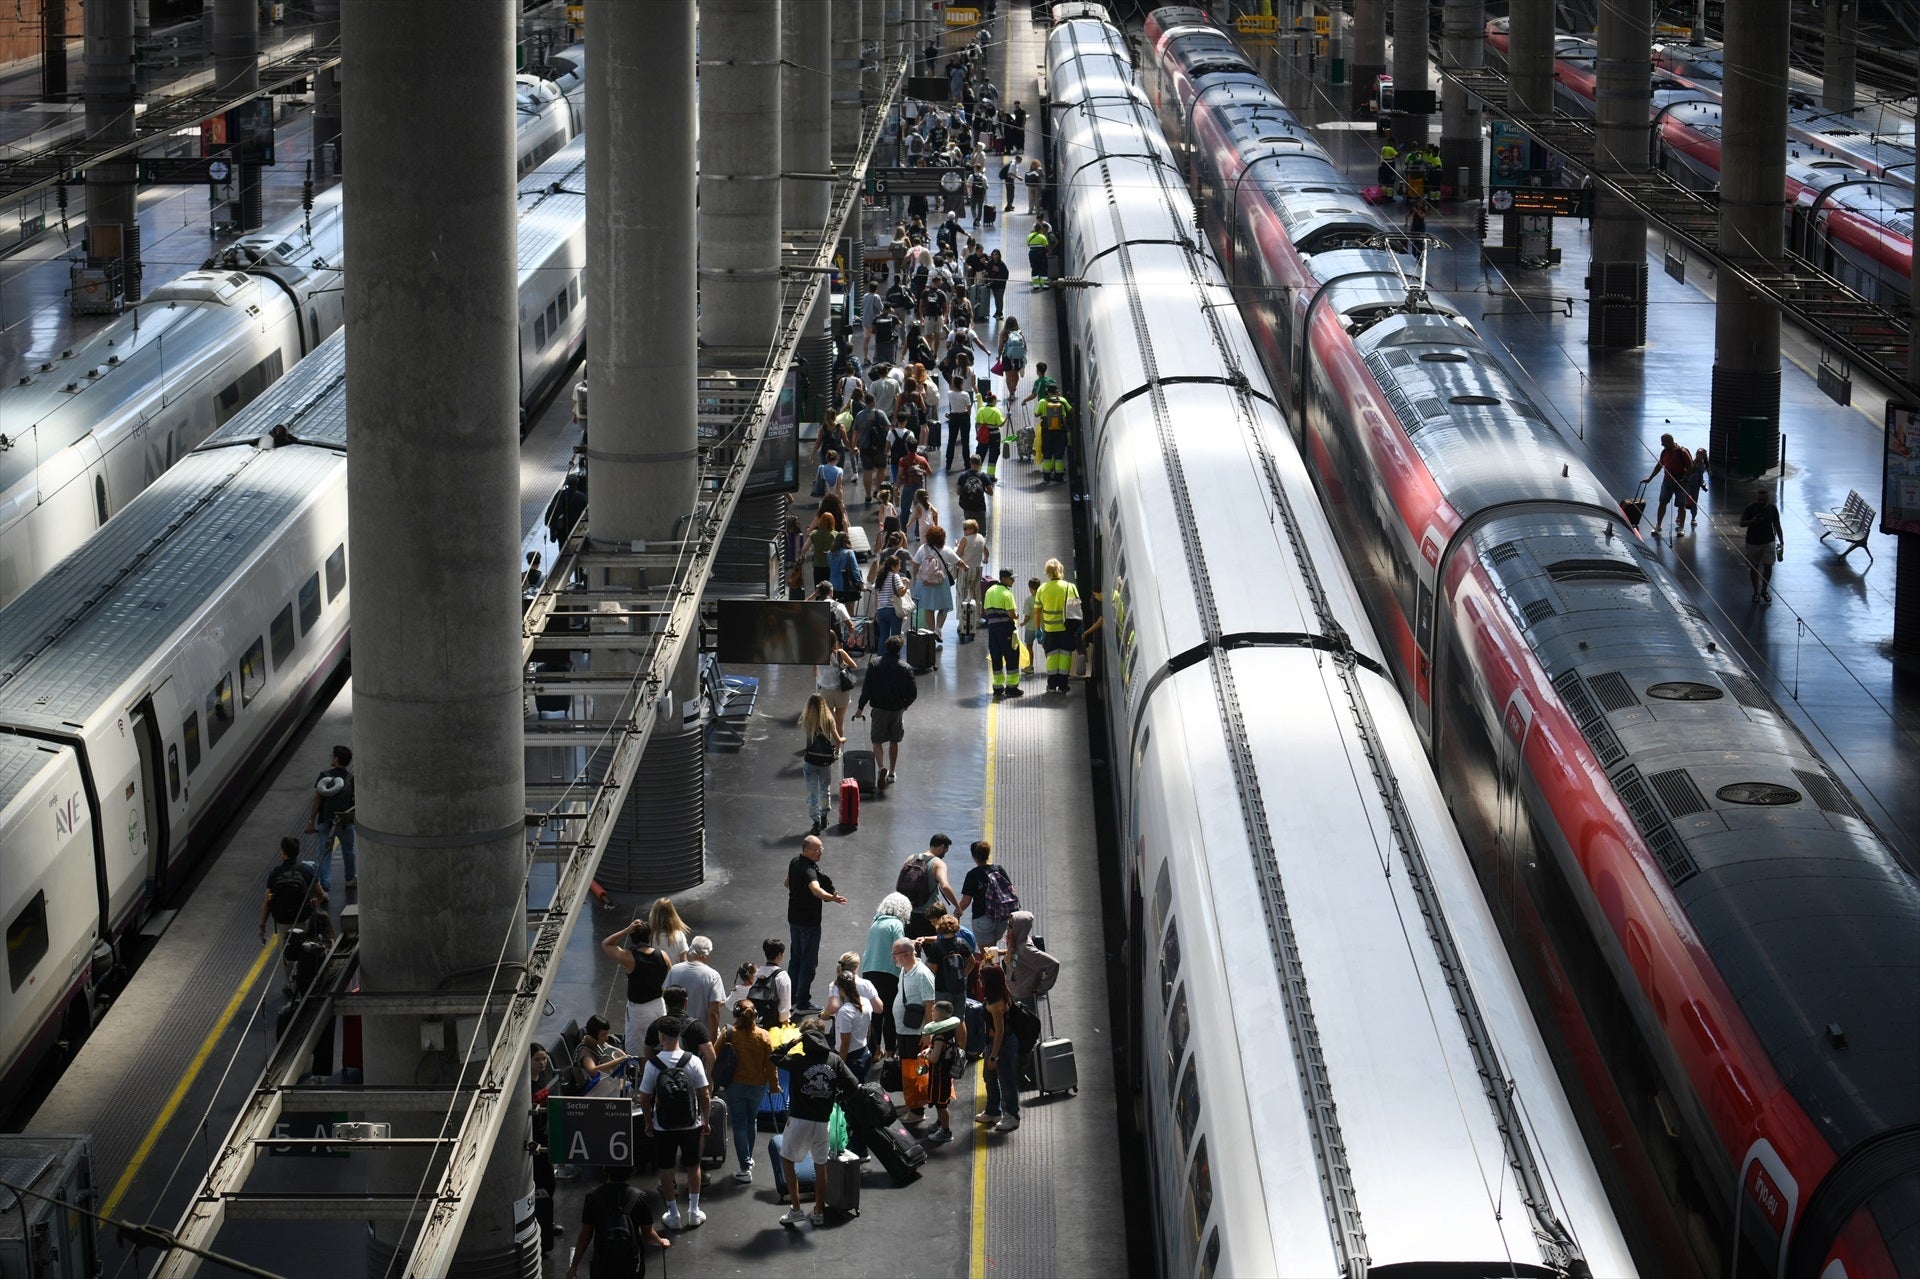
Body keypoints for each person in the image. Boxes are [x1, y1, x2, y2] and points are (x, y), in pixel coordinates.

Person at [773, 1017, 862, 1228]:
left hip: (799, 1120)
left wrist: (793, 1042)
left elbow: (774, 1055)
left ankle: (796, 1209)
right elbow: (853, 1085)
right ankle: (819, 1211)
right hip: (823, 1122)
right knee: (820, 1165)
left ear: (804, 1037)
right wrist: (838, 1095)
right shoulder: (834, 1059)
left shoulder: (798, 1060)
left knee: (787, 1160)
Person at [637, 1017, 712, 1230]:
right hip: (691, 1124)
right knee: (693, 1165)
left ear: (660, 1037)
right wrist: (704, 1120)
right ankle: (694, 1211)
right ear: (679, 1035)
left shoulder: (653, 1065)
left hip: (663, 1126)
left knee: (666, 1167)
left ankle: (673, 1213)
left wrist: (649, 1122)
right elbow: (704, 1095)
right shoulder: (693, 1061)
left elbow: (643, 1097)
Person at [716, 999, 781, 1185]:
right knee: (751, 1120)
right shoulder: (764, 1035)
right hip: (757, 1086)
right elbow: (771, 1064)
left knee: (739, 1125)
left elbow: (714, 1053)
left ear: (737, 1013)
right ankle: (748, 1158)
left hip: (734, 1086)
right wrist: (774, 1085)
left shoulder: (729, 1033)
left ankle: (744, 1168)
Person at [564, 1164, 668, 1279]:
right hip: (631, 1266)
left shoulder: (593, 1197)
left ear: (606, 1171)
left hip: (603, 1264)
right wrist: (661, 1241)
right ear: (631, 1172)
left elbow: (585, 1235)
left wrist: (574, 1266)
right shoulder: (639, 1198)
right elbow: (648, 1235)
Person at [786, 834, 849, 1010]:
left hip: (794, 919)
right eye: (817, 849)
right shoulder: (809, 870)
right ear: (807, 850)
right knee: (808, 962)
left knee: (796, 959)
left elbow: (787, 882)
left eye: (821, 848)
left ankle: (790, 998)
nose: (821, 852)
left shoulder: (794, 862)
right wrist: (833, 898)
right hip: (809, 923)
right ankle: (803, 1001)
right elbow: (816, 890)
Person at [853, 634, 919, 783]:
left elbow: (867, 688)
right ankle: (892, 772)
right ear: (899, 649)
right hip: (896, 710)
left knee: (877, 741)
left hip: (879, 709)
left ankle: (882, 767)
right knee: (894, 740)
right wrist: (905, 705)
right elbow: (913, 693)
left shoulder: (875, 664)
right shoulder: (906, 668)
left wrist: (860, 707)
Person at [603, 919, 672, 1053]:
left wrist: (626, 930)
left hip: (638, 1011)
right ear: (650, 935)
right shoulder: (663, 955)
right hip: (658, 1005)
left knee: (638, 1049)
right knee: (659, 1044)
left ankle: (641, 1072)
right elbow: (670, 979)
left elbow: (606, 944)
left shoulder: (629, 958)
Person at [891, 940, 938, 1116]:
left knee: (914, 1070)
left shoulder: (922, 974)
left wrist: (928, 1033)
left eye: (895, 953)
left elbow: (930, 1005)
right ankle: (911, 1102)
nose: (893, 957)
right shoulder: (905, 970)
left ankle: (917, 1110)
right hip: (904, 1031)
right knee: (907, 1070)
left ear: (907, 954)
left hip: (915, 1033)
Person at [974, 956, 1021, 1133]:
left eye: (981, 978)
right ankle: (993, 1110)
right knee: (989, 1076)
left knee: (1006, 1080)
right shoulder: (997, 995)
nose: (979, 981)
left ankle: (1012, 1115)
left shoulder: (996, 1004)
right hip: (993, 1043)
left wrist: (994, 1055)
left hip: (1002, 1045)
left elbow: (1000, 1032)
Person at [862, 893, 912, 1056]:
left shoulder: (876, 922)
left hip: (870, 969)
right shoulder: (896, 924)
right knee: (890, 1013)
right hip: (889, 972)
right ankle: (890, 1051)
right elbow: (900, 948)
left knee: (876, 1012)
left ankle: (876, 1050)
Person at [303, 745, 356, 891]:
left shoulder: (324, 775)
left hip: (325, 821)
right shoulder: (351, 779)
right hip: (344, 822)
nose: (331, 758)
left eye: (332, 755)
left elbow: (317, 800)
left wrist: (311, 821)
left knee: (324, 853)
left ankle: (325, 884)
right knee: (348, 850)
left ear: (337, 758)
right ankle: (350, 878)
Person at [259, 835, 325, 941]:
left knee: (287, 951)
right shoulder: (307, 870)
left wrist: (262, 926)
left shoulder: (275, 874)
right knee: (305, 949)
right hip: (303, 920)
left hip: (283, 922)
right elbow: (321, 895)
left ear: (283, 852)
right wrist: (313, 904)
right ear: (297, 852)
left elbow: (267, 902)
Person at [919, 999, 967, 1145]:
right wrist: (930, 1049)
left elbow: (934, 1059)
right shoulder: (947, 1032)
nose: (931, 1012)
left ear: (939, 1016)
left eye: (934, 1011)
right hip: (944, 1073)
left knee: (941, 1104)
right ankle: (940, 1123)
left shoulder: (939, 1037)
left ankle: (945, 1130)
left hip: (940, 1074)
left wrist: (925, 1055)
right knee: (941, 1101)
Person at [956, 839, 1019, 948]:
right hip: (1001, 917)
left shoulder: (973, 874)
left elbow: (966, 901)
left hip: (982, 919)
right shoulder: (998, 869)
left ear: (973, 856)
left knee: (988, 955)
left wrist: (956, 913)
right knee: (994, 948)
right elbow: (1011, 890)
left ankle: (994, 964)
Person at [664, 937, 729, 1041]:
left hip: (677, 1033)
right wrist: (712, 1043)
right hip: (702, 1034)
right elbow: (713, 1013)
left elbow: (665, 998)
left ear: (691, 949)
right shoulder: (713, 975)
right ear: (707, 953)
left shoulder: (675, 970)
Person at [897, 834, 960, 937]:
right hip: (930, 916)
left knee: (911, 948)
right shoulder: (938, 863)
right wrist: (958, 907)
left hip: (909, 913)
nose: (944, 855)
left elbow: (901, 881)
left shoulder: (911, 858)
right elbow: (945, 886)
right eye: (945, 851)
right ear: (942, 847)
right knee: (933, 949)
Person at [642, 985, 714, 1072]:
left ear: (665, 1003)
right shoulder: (697, 1026)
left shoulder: (655, 1026)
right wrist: (699, 1072)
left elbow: (647, 1053)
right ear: (686, 1002)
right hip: (688, 1079)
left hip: (662, 1079)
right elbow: (711, 1056)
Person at [1035, 557, 1081, 693]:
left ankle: (1051, 685)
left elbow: (1037, 612)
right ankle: (1062, 685)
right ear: (1061, 570)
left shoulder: (1042, 589)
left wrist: (1038, 629)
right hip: (1066, 628)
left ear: (1047, 572)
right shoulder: (1070, 587)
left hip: (1049, 629)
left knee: (1052, 656)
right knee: (1065, 656)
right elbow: (1076, 608)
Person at [800, 692, 843, 836]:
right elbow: (837, 739)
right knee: (825, 789)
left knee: (812, 792)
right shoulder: (829, 719)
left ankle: (816, 822)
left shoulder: (807, 720)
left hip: (810, 761)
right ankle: (824, 817)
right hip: (825, 762)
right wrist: (843, 739)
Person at [1643, 432, 1695, 537]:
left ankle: (1681, 528)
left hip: (1680, 482)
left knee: (1681, 505)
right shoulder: (1664, 452)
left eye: (1663, 443)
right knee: (1662, 502)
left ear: (1669, 441)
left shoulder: (1682, 452)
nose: (1662, 445)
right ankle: (1658, 525)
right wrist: (1650, 477)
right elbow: (1660, 465)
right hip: (1667, 481)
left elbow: (1690, 466)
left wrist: (1684, 479)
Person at [982, 567, 1023, 698]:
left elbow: (985, 609)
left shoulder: (990, 590)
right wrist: (1016, 615)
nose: (1013, 581)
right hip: (1006, 629)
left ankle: (998, 687)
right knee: (1011, 656)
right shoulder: (1007, 593)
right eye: (1011, 578)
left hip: (992, 629)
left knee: (996, 657)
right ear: (1004, 578)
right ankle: (1011, 688)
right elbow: (1012, 613)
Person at [1741, 486, 1784, 603]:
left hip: (1768, 541)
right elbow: (1742, 523)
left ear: (1768, 499)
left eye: (1763, 500)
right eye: (1759, 500)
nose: (1761, 502)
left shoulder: (1773, 509)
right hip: (1753, 542)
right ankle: (1756, 592)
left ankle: (1764, 590)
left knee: (1768, 566)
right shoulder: (1751, 508)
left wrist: (1781, 542)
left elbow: (1777, 526)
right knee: (1754, 567)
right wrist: (1753, 521)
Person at [830, 970, 875, 1082]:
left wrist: (840, 1067)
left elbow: (845, 1043)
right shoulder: (866, 1002)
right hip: (863, 1052)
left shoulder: (845, 1012)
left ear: (840, 990)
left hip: (850, 1059)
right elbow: (868, 1031)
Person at [913, 526, 958, 635]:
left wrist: (915, 578)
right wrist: (965, 566)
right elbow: (958, 561)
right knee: (944, 607)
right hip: (941, 582)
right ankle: (938, 629)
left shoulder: (922, 549)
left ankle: (932, 632)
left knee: (929, 609)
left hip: (925, 584)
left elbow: (915, 564)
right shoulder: (946, 550)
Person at [953, 518, 989, 639]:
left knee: (961, 594)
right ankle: (977, 619)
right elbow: (986, 552)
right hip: (977, 569)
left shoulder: (964, 540)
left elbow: (957, 555)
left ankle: (961, 622)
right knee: (975, 594)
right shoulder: (980, 537)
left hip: (965, 569)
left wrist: (956, 546)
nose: (964, 531)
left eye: (966, 528)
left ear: (972, 528)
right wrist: (985, 560)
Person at [577, 1014, 630, 1091]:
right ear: (593, 1035)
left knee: (626, 1082)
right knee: (625, 1085)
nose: (606, 1038)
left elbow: (611, 1047)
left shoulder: (595, 1041)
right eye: (603, 1035)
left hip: (603, 1081)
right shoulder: (585, 1052)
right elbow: (593, 1071)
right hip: (591, 1088)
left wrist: (624, 1056)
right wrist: (618, 1060)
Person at [750, 938, 794, 1026]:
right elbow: (784, 1009)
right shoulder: (782, 976)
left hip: (756, 1023)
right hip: (774, 1025)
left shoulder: (757, 974)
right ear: (779, 955)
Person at [1034, 387, 1072, 484]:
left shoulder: (1042, 401)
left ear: (1047, 392)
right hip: (1060, 430)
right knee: (1059, 453)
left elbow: (1036, 414)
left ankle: (1047, 476)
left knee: (1047, 452)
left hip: (1047, 431)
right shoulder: (1062, 400)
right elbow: (1070, 410)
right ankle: (1058, 476)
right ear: (1056, 391)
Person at [975, 387, 1007, 480]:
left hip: (984, 436)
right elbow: (1000, 424)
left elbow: (977, 423)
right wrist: (1006, 417)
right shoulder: (996, 411)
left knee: (980, 453)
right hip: (994, 435)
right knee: (993, 454)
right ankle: (991, 476)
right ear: (993, 401)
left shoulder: (981, 410)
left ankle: (977, 473)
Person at [649, 898, 691, 966]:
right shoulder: (679, 935)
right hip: (675, 975)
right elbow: (683, 961)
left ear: (654, 915)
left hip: (656, 975)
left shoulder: (650, 936)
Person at [1682, 448, 1709, 534]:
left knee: (1694, 502)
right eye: (1697, 454)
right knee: (1684, 501)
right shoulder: (1691, 464)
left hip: (1696, 485)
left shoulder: (1703, 466)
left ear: (1703, 456)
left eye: (1700, 454)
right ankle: (1680, 517)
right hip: (1688, 484)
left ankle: (1693, 518)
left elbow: (1701, 477)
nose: (1698, 456)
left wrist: (1703, 485)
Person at [985, 247, 1010, 319]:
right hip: (993, 284)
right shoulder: (990, 263)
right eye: (993, 254)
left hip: (1001, 285)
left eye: (996, 254)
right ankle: (997, 311)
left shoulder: (1001, 264)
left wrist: (1001, 279)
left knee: (999, 298)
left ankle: (1000, 313)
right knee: (996, 298)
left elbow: (1006, 274)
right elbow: (987, 271)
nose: (995, 256)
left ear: (999, 255)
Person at [1025, 221, 1051, 289]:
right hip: (1041, 254)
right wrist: (1049, 251)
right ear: (1040, 229)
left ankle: (1036, 286)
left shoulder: (1029, 236)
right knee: (1043, 269)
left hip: (1032, 254)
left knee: (1034, 269)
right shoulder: (1042, 237)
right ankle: (1044, 285)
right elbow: (1046, 246)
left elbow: (1028, 245)